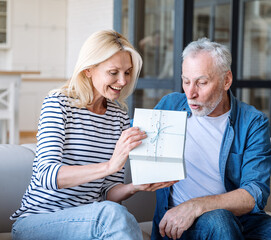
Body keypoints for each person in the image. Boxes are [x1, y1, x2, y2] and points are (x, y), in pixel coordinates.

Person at [10, 30, 174, 240]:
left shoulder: (119, 117)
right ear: (88, 70)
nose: (123, 81)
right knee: (111, 216)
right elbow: (48, 175)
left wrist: (134, 187)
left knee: (112, 214)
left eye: (127, 72)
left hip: (89, 223)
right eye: (113, 72)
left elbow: (108, 192)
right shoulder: (58, 103)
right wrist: (109, 166)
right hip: (38, 221)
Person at [151, 38, 271, 240]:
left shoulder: (252, 122)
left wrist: (196, 205)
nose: (190, 93)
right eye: (186, 81)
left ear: (226, 80)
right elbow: (135, 139)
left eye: (202, 82)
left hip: (236, 217)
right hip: (180, 222)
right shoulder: (170, 105)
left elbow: (254, 193)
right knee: (220, 221)